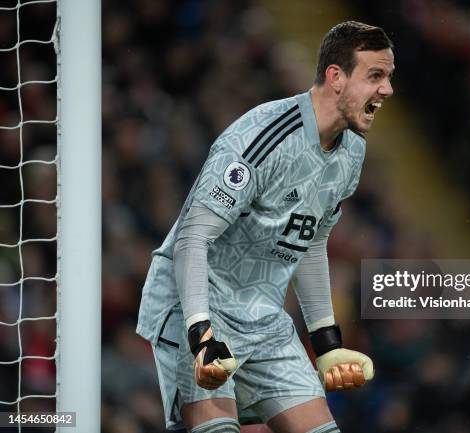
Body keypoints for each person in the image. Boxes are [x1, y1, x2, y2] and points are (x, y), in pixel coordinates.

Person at [137, 20, 395, 433]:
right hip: (198, 303)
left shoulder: (351, 155)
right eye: (375, 76)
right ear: (336, 78)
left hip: (263, 317)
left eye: (388, 77)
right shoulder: (264, 136)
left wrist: (326, 341)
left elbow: (310, 243)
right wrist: (201, 334)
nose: (387, 90)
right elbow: (192, 238)